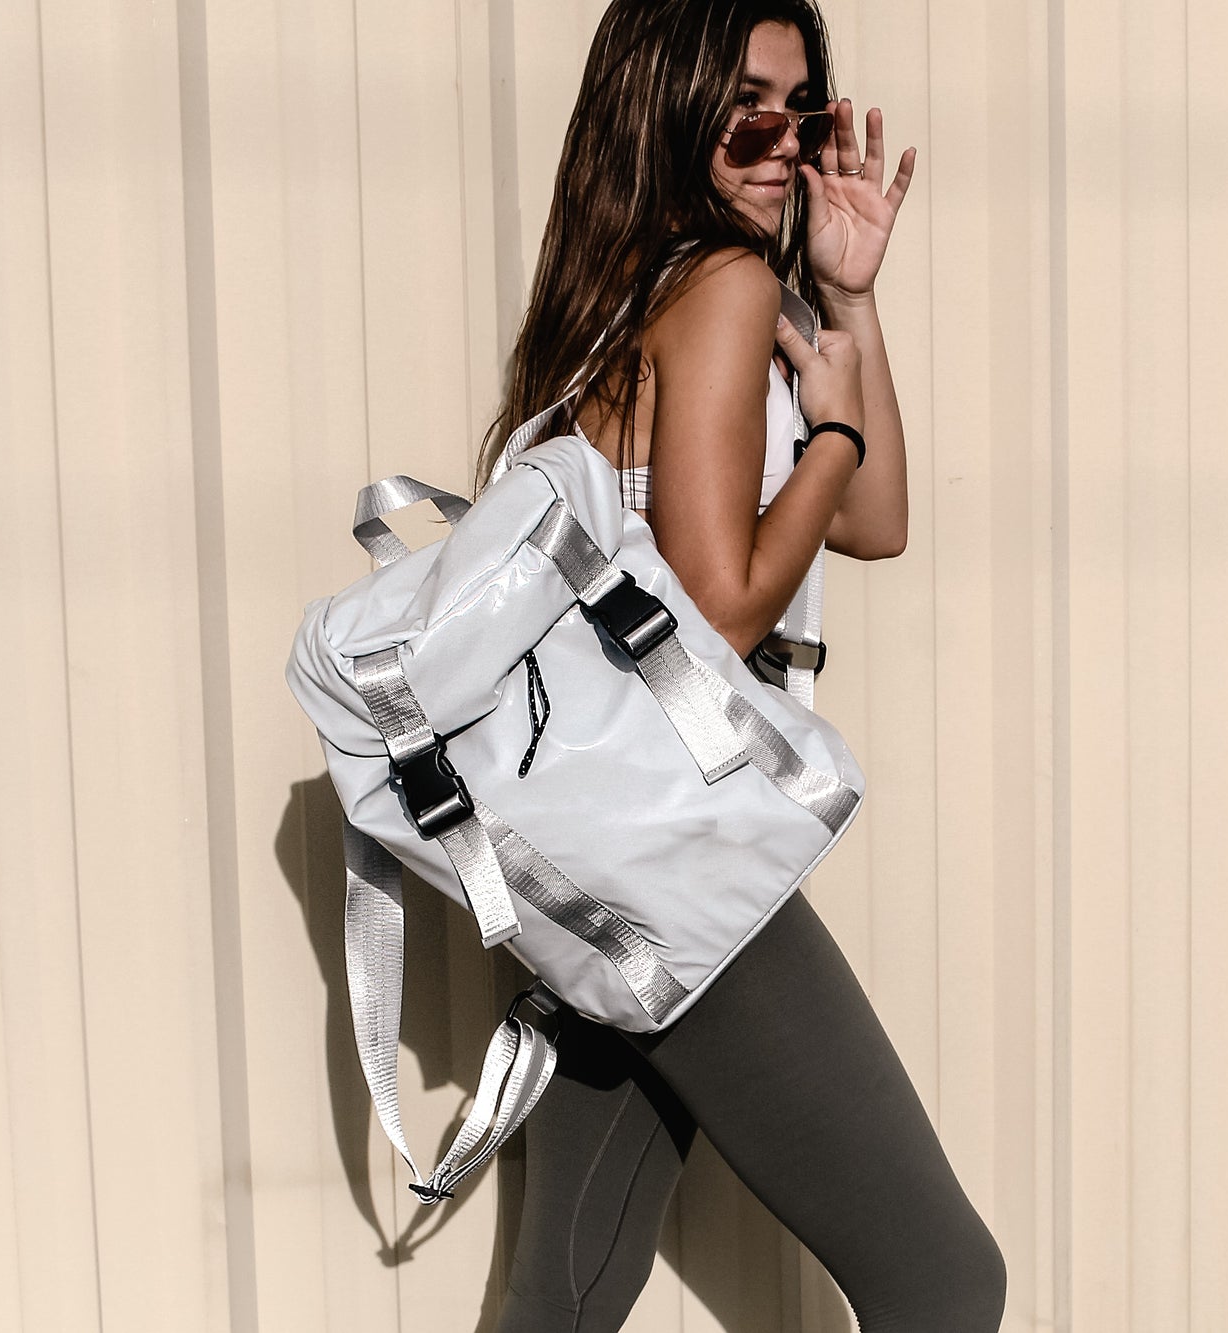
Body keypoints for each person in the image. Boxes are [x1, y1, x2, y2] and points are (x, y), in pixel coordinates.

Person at [477, 2, 1007, 1331]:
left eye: (803, 110)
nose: (779, 142)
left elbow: (875, 522)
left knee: (567, 1290)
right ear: (665, 108)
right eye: (745, 110)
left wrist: (849, 302)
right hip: (676, 844)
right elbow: (714, 612)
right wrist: (824, 431)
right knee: (944, 1276)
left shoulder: (620, 304)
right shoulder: (718, 289)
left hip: (589, 848)